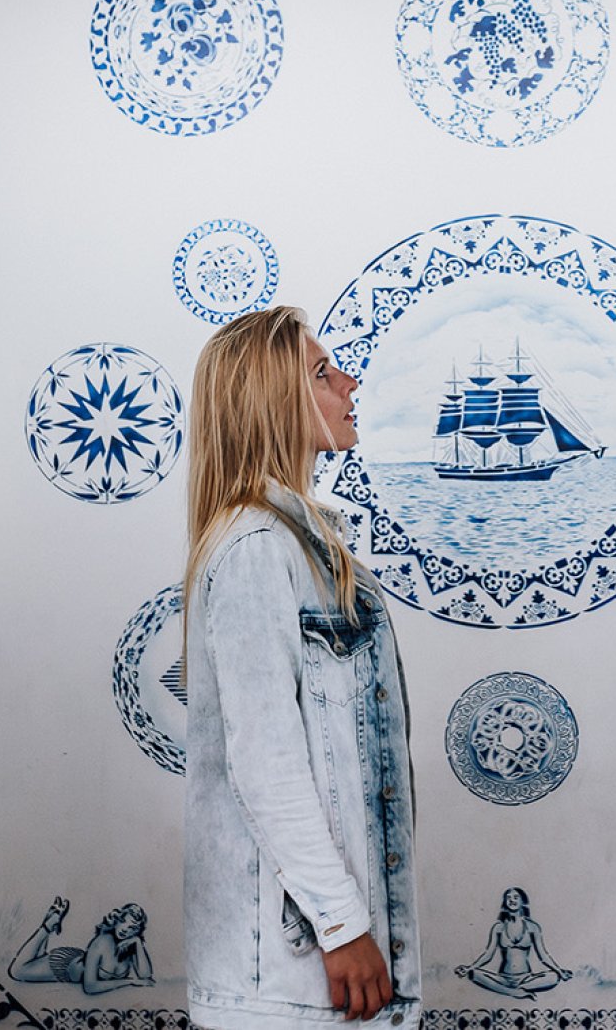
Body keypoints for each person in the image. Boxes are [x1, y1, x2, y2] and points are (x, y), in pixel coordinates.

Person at [184, 307, 419, 1030]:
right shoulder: (257, 547)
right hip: (289, 977)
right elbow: (266, 761)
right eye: (322, 372)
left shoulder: (301, 541)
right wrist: (342, 925)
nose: (349, 383)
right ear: (272, 399)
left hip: (314, 969)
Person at [8, 898, 154, 994]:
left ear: (136, 931)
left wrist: (138, 943)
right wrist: (130, 982)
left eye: (132, 929)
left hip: (79, 958)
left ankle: (51, 922)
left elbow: (146, 976)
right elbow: (90, 987)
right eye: (124, 923)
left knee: (37, 957)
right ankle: (47, 926)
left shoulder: (131, 946)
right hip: (64, 965)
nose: (125, 930)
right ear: (117, 920)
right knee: (17, 971)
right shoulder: (102, 941)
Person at [455, 887, 572, 1000]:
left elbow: (543, 955)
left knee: (553, 977)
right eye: (508, 898)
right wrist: (469, 967)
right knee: (473, 974)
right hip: (503, 978)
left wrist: (560, 971)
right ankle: (515, 992)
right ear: (505, 902)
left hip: (526, 979)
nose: (512, 900)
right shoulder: (499, 927)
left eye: (516, 897)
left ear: (523, 902)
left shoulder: (532, 927)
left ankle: (515, 989)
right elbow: (488, 954)